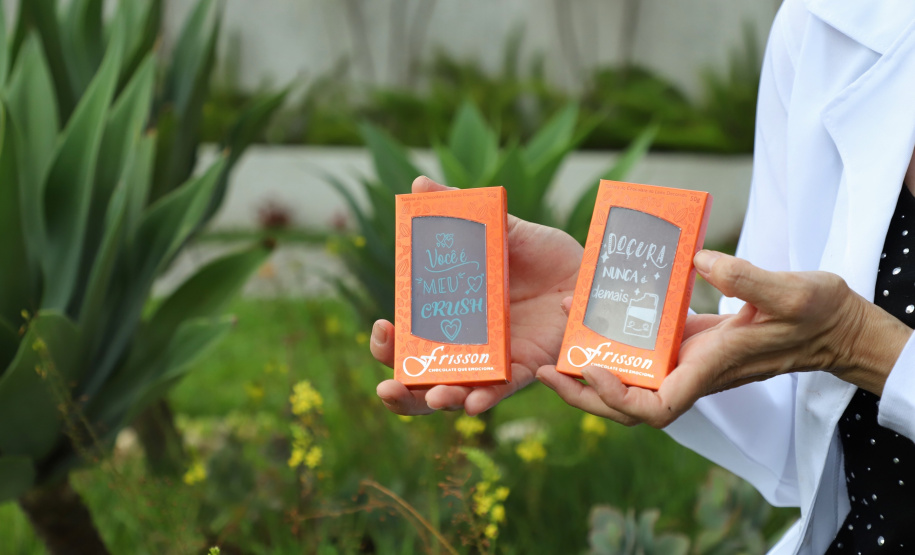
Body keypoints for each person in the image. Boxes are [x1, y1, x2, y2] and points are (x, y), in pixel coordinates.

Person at [371, 1, 915, 553]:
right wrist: (615, 317)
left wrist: (866, 347)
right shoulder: (828, 18)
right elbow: (806, 437)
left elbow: (836, 349)